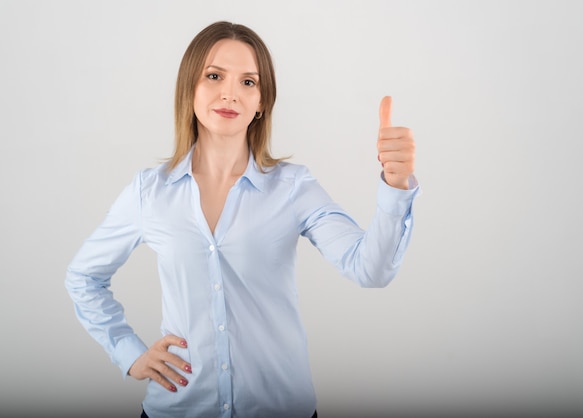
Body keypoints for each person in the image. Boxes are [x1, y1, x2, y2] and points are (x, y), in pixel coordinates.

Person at [65, 21, 419, 418]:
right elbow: (83, 278)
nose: (230, 93)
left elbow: (369, 269)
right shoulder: (150, 191)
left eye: (248, 82)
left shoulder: (293, 187)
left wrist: (396, 183)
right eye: (214, 76)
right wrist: (129, 354)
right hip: (177, 410)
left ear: (262, 101)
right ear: (190, 88)